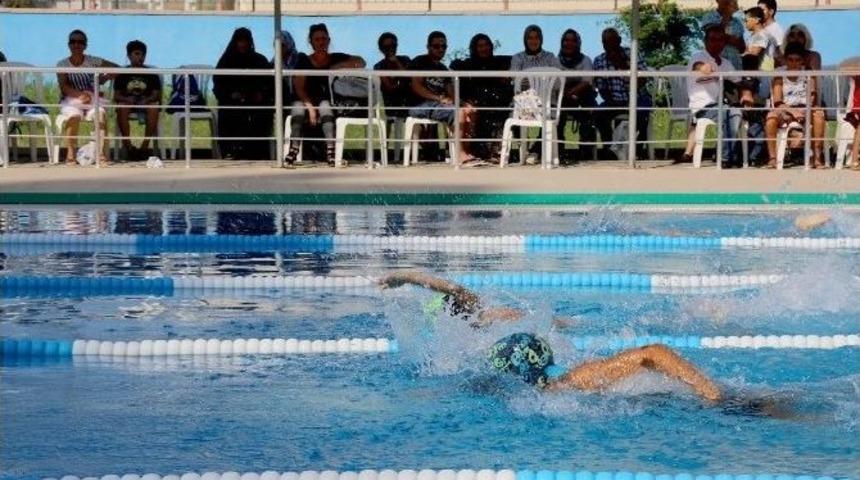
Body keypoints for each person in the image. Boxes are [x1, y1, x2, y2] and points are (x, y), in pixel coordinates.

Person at [378, 271, 721, 405]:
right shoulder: (574, 377)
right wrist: (713, 395)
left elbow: (458, 293)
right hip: (698, 402)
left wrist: (405, 277)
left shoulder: (478, 365)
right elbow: (654, 352)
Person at [285, 23, 365, 166]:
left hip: (323, 99)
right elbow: (299, 88)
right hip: (304, 98)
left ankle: (331, 153)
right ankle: (293, 150)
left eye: (324, 38)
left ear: (328, 40)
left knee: (326, 108)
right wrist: (310, 109)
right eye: (317, 39)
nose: (321, 42)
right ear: (311, 42)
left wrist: (337, 66)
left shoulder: (336, 57)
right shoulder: (303, 60)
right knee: (297, 109)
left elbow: (361, 61)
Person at [680, 25, 742, 167]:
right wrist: (703, 68)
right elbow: (697, 65)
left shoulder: (726, 63)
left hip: (719, 105)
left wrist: (747, 92)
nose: (717, 43)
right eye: (713, 39)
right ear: (705, 42)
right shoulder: (698, 56)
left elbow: (738, 81)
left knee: (737, 112)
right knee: (731, 112)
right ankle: (726, 157)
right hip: (701, 107)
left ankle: (730, 155)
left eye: (720, 40)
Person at [408, 31, 474, 164]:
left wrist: (462, 103)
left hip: (439, 105)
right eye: (436, 46)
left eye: (444, 47)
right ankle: (460, 155)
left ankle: (467, 151)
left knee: (469, 111)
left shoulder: (444, 69)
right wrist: (439, 98)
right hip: (420, 104)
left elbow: (451, 93)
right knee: (458, 112)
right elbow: (417, 87)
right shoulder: (420, 62)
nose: (441, 49)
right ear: (428, 47)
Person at [56, 29, 119, 166]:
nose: (76, 45)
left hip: (92, 98)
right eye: (73, 42)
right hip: (71, 98)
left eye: (80, 42)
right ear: (68, 45)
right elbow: (64, 87)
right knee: (74, 117)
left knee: (100, 115)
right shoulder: (62, 64)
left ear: (85, 45)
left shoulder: (93, 61)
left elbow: (117, 68)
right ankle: (70, 155)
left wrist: (104, 78)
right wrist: (79, 95)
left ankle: (101, 154)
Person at [213, 27, 273, 160]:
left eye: (246, 40)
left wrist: (260, 94)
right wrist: (232, 95)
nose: (243, 44)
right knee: (228, 111)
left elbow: (269, 83)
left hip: (256, 103)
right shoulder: (226, 61)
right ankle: (230, 150)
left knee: (261, 114)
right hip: (231, 101)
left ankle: (256, 152)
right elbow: (219, 84)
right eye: (240, 40)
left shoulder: (259, 60)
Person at [764, 42, 827, 168]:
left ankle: (817, 158)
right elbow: (777, 101)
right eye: (790, 60)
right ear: (785, 60)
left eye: (798, 60)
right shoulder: (779, 75)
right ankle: (772, 158)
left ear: (802, 61)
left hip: (805, 107)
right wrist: (793, 112)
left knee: (819, 115)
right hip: (784, 108)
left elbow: (812, 97)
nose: (794, 63)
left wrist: (803, 110)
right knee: (771, 118)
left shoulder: (808, 73)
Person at [592, 28, 652, 159]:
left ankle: (636, 151)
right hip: (613, 100)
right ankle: (610, 150)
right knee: (598, 114)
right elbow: (601, 88)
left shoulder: (633, 54)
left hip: (637, 97)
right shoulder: (599, 60)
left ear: (619, 41)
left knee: (642, 112)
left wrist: (621, 65)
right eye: (605, 42)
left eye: (612, 41)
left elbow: (642, 81)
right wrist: (611, 100)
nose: (608, 45)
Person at [451, 33, 512, 161]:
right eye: (480, 46)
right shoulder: (468, 64)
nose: (484, 48)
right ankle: (478, 150)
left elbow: (514, 62)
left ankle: (495, 151)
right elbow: (455, 68)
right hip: (477, 102)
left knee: (499, 110)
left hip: (497, 102)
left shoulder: (499, 62)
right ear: (474, 48)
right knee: (479, 109)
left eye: (486, 45)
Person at [509, 25, 563, 165]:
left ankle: (536, 150)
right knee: (510, 114)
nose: (533, 41)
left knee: (550, 120)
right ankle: (524, 149)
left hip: (547, 103)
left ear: (541, 39)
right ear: (525, 40)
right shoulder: (518, 58)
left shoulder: (550, 57)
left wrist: (540, 84)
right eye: (530, 38)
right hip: (524, 103)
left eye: (536, 38)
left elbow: (558, 82)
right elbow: (516, 82)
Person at [113, 40, 162, 161]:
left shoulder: (151, 74)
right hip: (128, 103)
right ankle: (129, 147)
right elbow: (117, 95)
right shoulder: (122, 74)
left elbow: (157, 94)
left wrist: (148, 99)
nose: (141, 57)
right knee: (122, 108)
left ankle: (144, 147)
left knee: (154, 108)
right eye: (137, 54)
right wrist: (126, 99)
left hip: (146, 102)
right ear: (129, 56)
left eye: (143, 54)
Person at [557, 28, 598, 162]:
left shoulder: (586, 60)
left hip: (582, 95)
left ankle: (586, 150)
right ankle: (558, 150)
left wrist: (572, 92)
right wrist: (566, 94)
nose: (569, 43)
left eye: (573, 41)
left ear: (578, 43)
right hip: (563, 96)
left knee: (589, 109)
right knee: (556, 112)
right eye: (566, 40)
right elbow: (555, 82)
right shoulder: (556, 61)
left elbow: (587, 81)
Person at [374, 32, 412, 119]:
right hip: (391, 102)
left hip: (408, 100)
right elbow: (389, 87)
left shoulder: (405, 60)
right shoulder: (379, 66)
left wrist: (396, 62)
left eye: (393, 45)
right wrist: (403, 84)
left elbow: (409, 77)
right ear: (381, 49)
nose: (391, 49)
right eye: (387, 47)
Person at [700, 0, 747, 70]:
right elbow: (716, 37)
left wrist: (729, 39)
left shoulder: (737, 22)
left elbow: (742, 48)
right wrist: (727, 14)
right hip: (716, 67)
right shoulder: (709, 17)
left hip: (735, 67)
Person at [743, 7, 778, 71]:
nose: (745, 23)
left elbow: (752, 55)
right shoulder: (753, 36)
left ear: (757, 20)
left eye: (746, 20)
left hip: (765, 75)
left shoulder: (762, 35)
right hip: (757, 74)